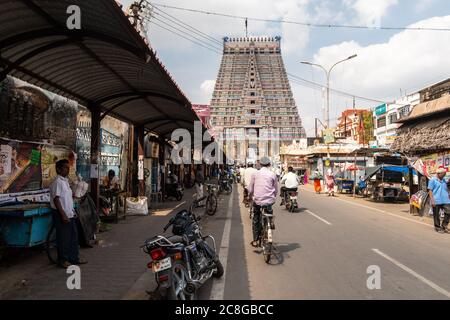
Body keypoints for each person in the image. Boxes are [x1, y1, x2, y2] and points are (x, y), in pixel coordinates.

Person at [50, 159, 87, 268]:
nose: (67, 169)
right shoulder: (57, 182)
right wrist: (63, 215)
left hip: (69, 214)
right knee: (63, 239)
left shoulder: (65, 181)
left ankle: (74, 258)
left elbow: (67, 199)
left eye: (68, 167)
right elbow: (56, 200)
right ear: (58, 169)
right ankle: (63, 260)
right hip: (61, 215)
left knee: (73, 238)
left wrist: (72, 211)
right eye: (65, 167)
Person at [248, 157, 278, 247]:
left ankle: (256, 240)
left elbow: (250, 189)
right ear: (269, 164)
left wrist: (250, 196)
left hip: (257, 200)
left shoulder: (255, 174)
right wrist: (273, 197)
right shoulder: (272, 174)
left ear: (260, 164)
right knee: (268, 209)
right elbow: (276, 190)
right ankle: (270, 220)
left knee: (256, 218)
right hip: (269, 200)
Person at [428, 167, 450, 233]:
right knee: (436, 215)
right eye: (443, 174)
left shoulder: (444, 180)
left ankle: (444, 225)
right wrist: (432, 200)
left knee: (448, 212)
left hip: (445, 200)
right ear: (439, 173)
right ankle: (437, 227)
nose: (445, 175)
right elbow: (430, 190)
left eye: (445, 174)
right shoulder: (432, 180)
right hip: (436, 200)